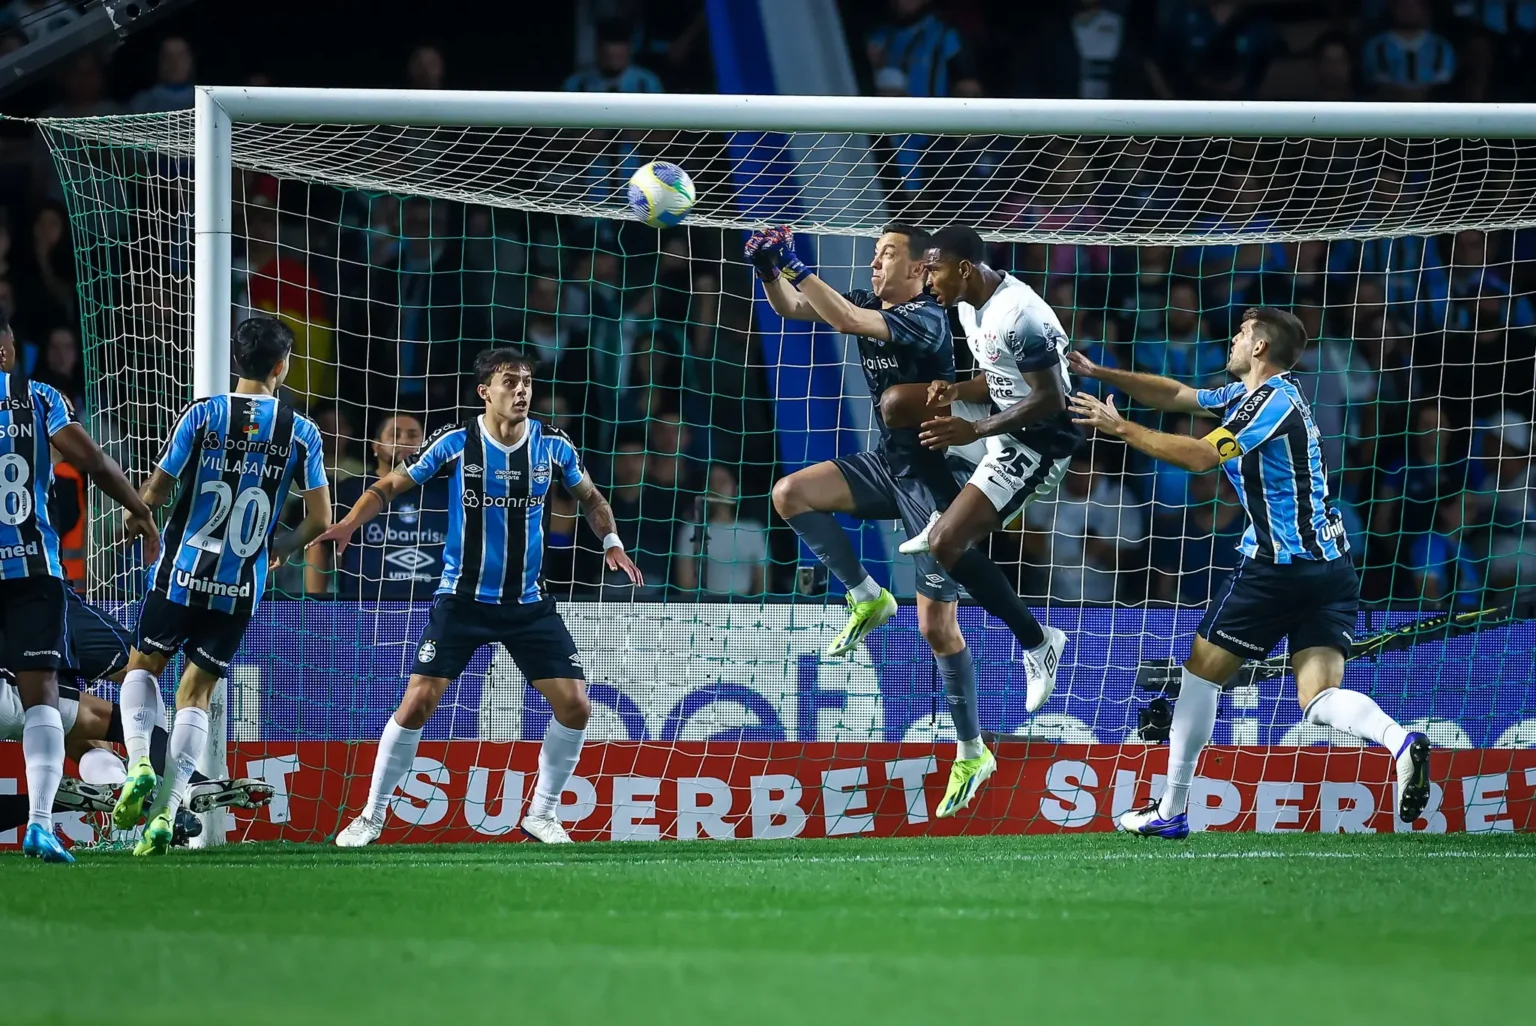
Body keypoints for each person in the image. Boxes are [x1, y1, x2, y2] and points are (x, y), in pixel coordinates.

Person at [1067, 307, 1432, 838]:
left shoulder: (1272, 401)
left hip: (1275, 568)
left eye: (1241, 334)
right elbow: (1176, 396)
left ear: (1260, 348)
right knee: (1319, 697)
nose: (1233, 341)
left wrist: (1120, 427)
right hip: (1331, 568)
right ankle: (1401, 743)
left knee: (1198, 675)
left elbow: (1197, 457)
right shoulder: (1250, 396)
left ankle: (1170, 809)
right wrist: (1103, 374)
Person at [748, 223, 1061, 819]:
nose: (874, 263)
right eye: (872, 254)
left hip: (932, 473)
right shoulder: (868, 302)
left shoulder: (927, 318)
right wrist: (769, 269)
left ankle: (973, 747)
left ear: (921, 269)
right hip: (886, 463)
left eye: (888, 254)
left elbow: (842, 320)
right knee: (790, 493)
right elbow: (793, 307)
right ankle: (867, 595)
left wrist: (793, 261)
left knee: (936, 628)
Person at [317, 349, 643, 848]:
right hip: (462, 600)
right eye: (509, 381)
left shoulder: (552, 445)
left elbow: (593, 498)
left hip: (526, 603)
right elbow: (389, 485)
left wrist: (612, 543)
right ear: (484, 392)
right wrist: (347, 524)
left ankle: (542, 814)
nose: (522, 390)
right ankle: (371, 816)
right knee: (418, 703)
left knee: (576, 706)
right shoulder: (454, 441)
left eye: (527, 382)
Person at [113, 316, 331, 856]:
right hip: (240, 585)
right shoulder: (301, 431)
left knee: (143, 669)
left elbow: (159, 491)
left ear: (237, 361)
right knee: (197, 694)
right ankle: (166, 811)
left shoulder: (203, 414)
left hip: (181, 572)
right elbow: (321, 517)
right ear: (282, 366)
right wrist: (279, 548)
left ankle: (140, 759)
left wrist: (138, 514)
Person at [0, 310, 159, 862]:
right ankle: (40, 826)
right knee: (42, 696)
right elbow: (90, 460)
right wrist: (139, 508)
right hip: (32, 573)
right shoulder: (41, 399)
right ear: (5, 348)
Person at [900, 225, 1082, 683]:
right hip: (1000, 418)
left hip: (1038, 442)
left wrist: (972, 429)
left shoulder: (1019, 314)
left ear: (963, 268)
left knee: (946, 546)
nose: (927, 283)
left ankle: (1039, 642)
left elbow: (1051, 398)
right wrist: (958, 389)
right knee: (899, 403)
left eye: (933, 272)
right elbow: (998, 377)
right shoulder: (968, 304)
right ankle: (944, 509)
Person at [0, 589, 274, 842]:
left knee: (84, 740)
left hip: (16, 684)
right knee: (134, 692)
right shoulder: (35, 583)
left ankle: (98, 794)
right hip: (37, 620)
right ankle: (180, 792)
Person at [307, 413, 449, 601]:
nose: (404, 441)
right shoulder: (350, 490)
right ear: (376, 446)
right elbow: (319, 546)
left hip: (434, 609)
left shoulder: (446, 491)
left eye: (413, 435)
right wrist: (316, 605)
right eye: (395, 435)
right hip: (362, 608)